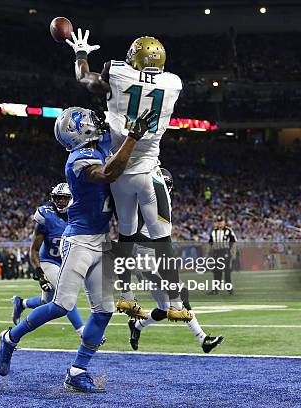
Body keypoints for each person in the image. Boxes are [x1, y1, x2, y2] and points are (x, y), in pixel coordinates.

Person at [0, 106, 155, 392]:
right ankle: (10, 338)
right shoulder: (78, 159)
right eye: (88, 120)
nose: (94, 122)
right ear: (76, 130)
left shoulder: (97, 146)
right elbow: (108, 172)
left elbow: (114, 130)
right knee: (61, 305)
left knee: (104, 310)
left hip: (102, 240)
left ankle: (77, 371)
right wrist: (133, 137)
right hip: (80, 240)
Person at [66, 29, 188, 321]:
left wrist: (80, 52)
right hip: (148, 171)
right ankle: (175, 303)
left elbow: (85, 78)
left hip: (119, 171)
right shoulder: (173, 83)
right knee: (163, 242)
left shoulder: (118, 73)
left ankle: (127, 297)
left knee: (125, 237)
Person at [127, 169, 224, 353]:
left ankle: (137, 326)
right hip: (145, 262)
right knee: (180, 295)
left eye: (166, 187)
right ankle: (203, 339)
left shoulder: (163, 203)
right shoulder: (142, 204)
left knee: (164, 309)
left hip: (155, 259)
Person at [11, 183, 85, 336]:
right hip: (49, 261)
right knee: (66, 293)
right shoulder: (46, 216)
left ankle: (21, 303)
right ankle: (82, 332)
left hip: (66, 261)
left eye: (64, 198)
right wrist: (40, 274)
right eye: (57, 198)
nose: (60, 202)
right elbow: (34, 250)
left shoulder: (78, 215)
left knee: (47, 301)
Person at [207, 216, 237, 295]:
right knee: (216, 271)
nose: (220, 223)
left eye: (221, 221)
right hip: (216, 252)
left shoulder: (229, 230)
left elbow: (233, 242)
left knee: (227, 271)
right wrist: (207, 254)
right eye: (218, 221)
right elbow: (210, 243)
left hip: (225, 252)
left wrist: (234, 253)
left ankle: (229, 289)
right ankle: (216, 289)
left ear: (224, 222)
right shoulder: (214, 231)